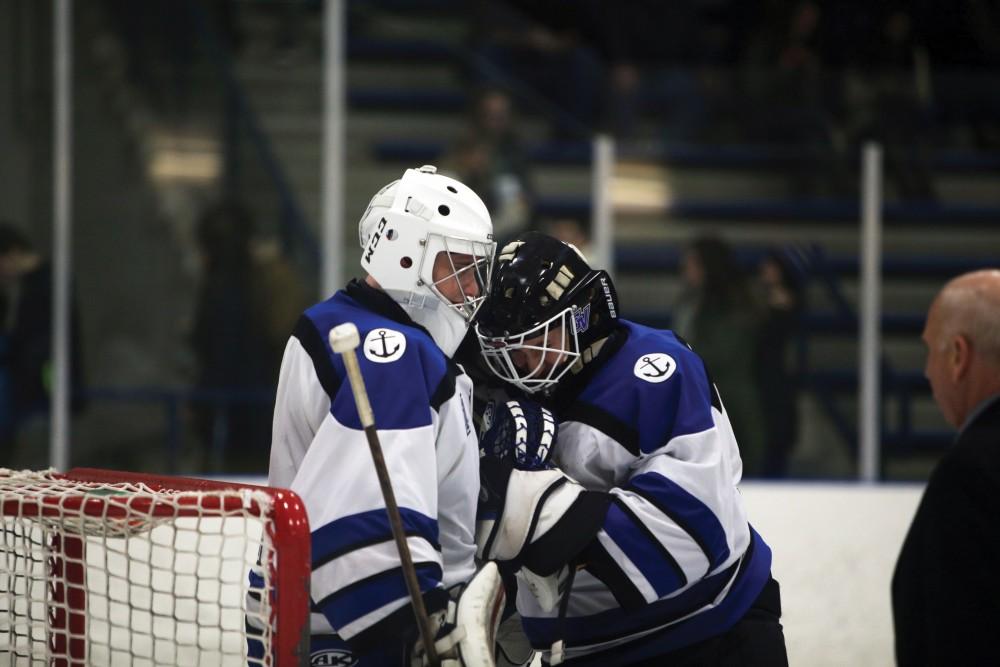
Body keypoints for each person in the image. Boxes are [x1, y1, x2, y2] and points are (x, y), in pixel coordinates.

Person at [473, 231, 788, 665]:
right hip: (584, 652)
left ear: (580, 318)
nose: (519, 363)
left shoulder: (656, 370)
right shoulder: (506, 398)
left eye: (533, 340)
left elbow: (695, 529)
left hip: (707, 635)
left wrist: (542, 511)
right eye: (504, 349)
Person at [248, 166, 498, 665]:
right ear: (407, 255)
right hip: (355, 634)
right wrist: (419, 624)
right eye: (458, 267)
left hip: (307, 615)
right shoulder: (393, 352)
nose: (472, 288)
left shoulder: (341, 325)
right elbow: (369, 517)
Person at [891, 269, 1000, 666]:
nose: (926, 372)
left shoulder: (972, 473)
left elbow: (951, 631)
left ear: (958, 355)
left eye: (930, 351)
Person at [673, 236, 766, 476]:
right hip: (699, 400)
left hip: (731, 404)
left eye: (692, 263)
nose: (686, 269)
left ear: (708, 266)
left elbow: (722, 354)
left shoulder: (733, 305)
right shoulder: (690, 302)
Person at [0, 223, 85, 463]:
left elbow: (47, 349)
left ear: (12, 253)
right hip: (37, 397)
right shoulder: (31, 287)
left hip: (42, 400)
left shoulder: (48, 285)